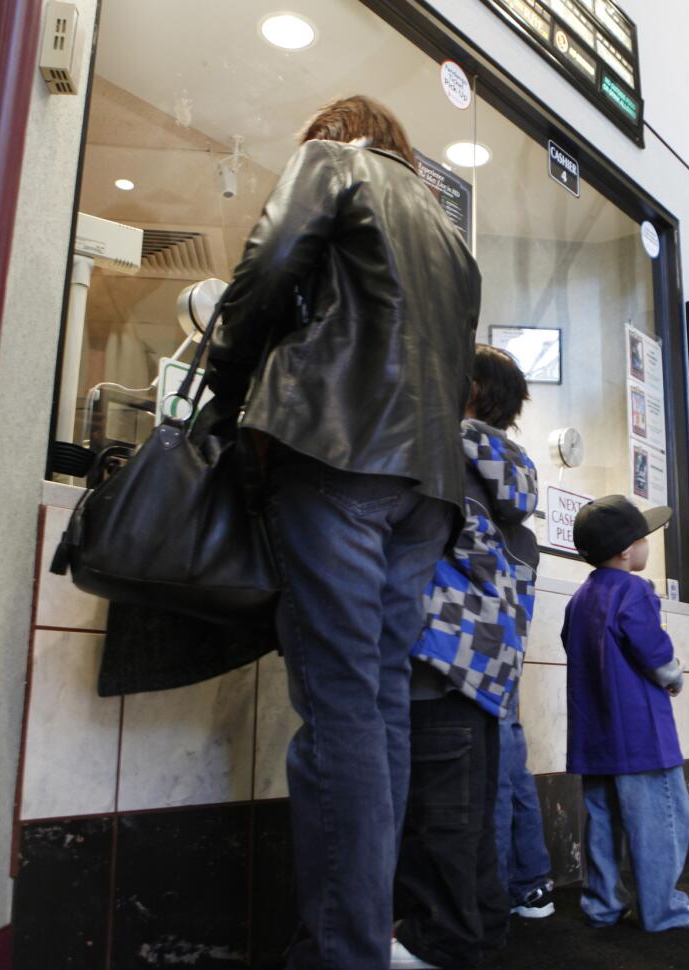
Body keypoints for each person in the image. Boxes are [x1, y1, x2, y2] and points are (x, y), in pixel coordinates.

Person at [207, 96, 481, 969]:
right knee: (379, 708)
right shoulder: (453, 239)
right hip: (427, 488)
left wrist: (223, 388)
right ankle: (367, 936)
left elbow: (265, 268)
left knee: (339, 712)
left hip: (334, 452)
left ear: (332, 130)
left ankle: (343, 951)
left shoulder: (333, 162)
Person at [391, 345, 539, 970]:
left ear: (469, 388)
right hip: (490, 673)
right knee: (475, 815)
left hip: (438, 661)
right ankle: (480, 928)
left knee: (438, 820)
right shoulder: (512, 478)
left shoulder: (442, 457)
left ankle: (439, 943)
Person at [564, 496, 689, 932]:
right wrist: (672, 675)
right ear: (627, 550)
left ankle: (603, 906)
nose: (647, 546)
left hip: (593, 734)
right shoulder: (634, 589)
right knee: (663, 820)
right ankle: (664, 911)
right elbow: (650, 646)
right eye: (645, 539)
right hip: (641, 736)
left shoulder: (579, 598)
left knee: (602, 822)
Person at [494, 692, 556, 919]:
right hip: (502, 665)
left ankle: (493, 896)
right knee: (514, 774)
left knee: (495, 777)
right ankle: (529, 888)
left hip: (471, 669)